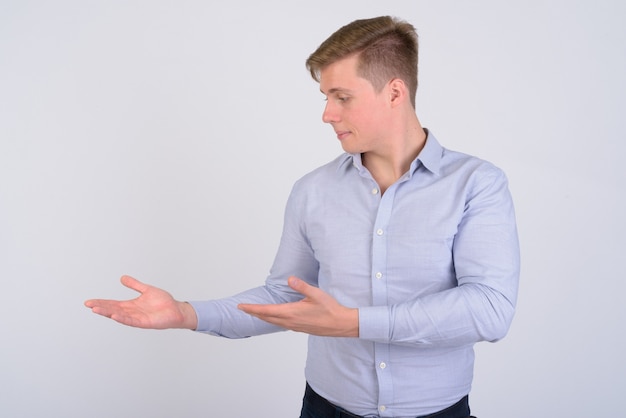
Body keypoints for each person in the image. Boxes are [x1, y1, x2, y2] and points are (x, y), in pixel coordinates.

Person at [85, 15, 519, 418]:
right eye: (326, 97)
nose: (327, 114)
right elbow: (286, 297)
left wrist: (353, 323)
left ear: (394, 92)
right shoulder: (313, 190)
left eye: (342, 97)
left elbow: (490, 308)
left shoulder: (477, 184)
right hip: (325, 408)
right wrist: (185, 313)